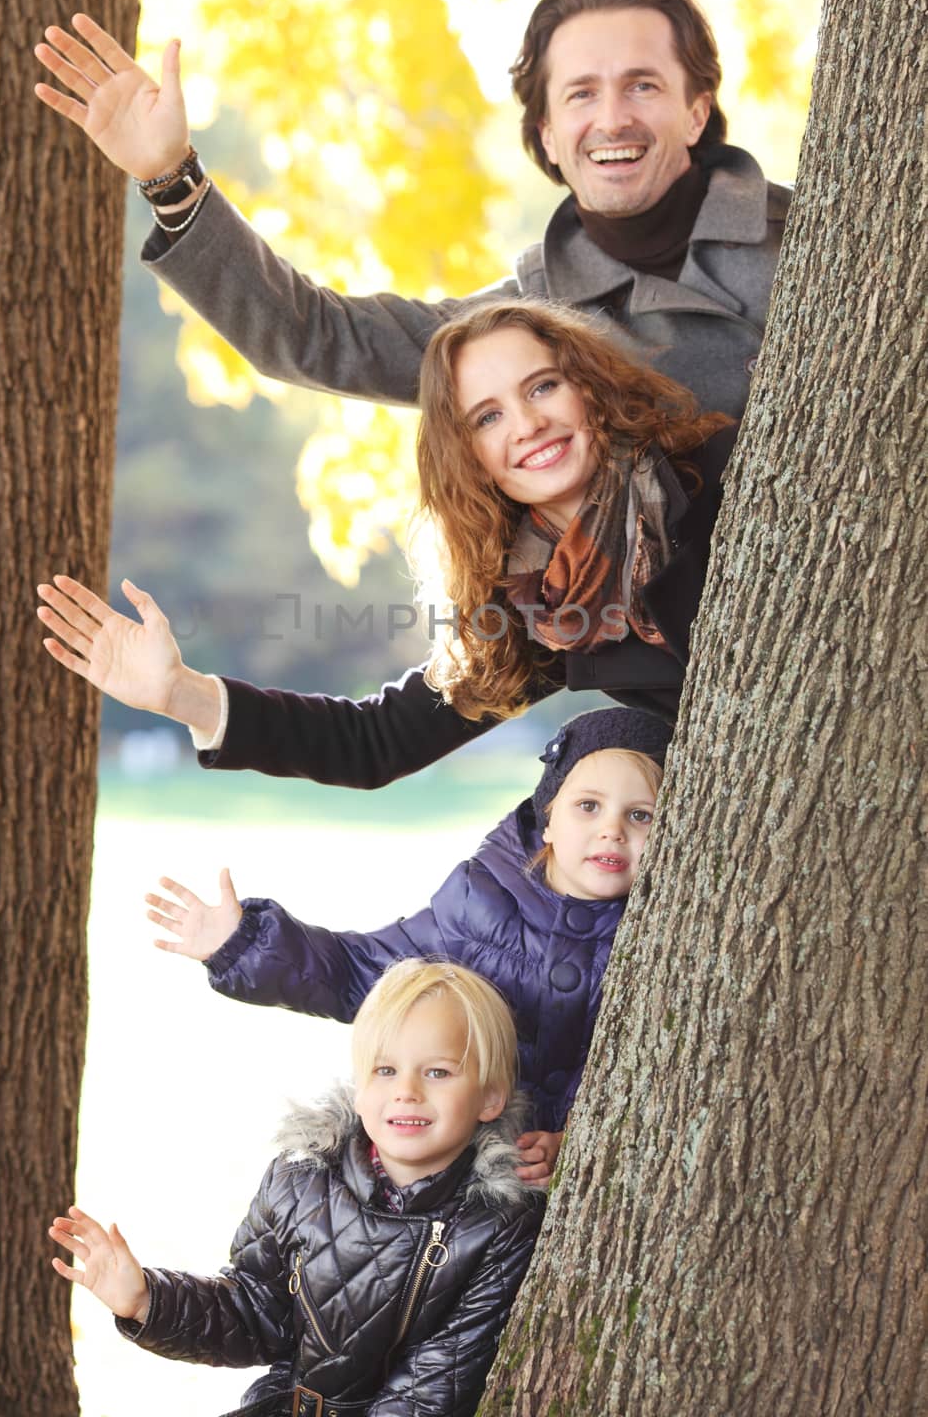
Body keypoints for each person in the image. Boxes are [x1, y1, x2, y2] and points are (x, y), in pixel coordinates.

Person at [34, 0, 790, 420]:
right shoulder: (531, 319)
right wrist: (171, 177)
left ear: (696, 110)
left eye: (643, 85)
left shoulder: (811, 235)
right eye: (581, 95)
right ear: (549, 135)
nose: (612, 118)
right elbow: (316, 338)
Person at [37, 300, 733, 779]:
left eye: (542, 386)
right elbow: (373, 741)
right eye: (487, 417)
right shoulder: (539, 608)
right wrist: (180, 694)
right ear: (467, 456)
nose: (526, 424)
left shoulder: (716, 470)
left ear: (588, 387)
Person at [143, 707, 670, 1184]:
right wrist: (243, 944)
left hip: (550, 1180)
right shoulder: (481, 902)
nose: (611, 831)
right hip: (454, 1166)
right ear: (548, 817)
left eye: (640, 816)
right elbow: (363, 972)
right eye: (588, 806)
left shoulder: (660, 933)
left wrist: (580, 1141)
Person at [49, 959, 544, 1417]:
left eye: (437, 1072)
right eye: (385, 1070)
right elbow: (252, 1312)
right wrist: (146, 1302)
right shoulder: (302, 1177)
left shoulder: (495, 1225)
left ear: (490, 1097)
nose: (406, 1091)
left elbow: (432, 1388)